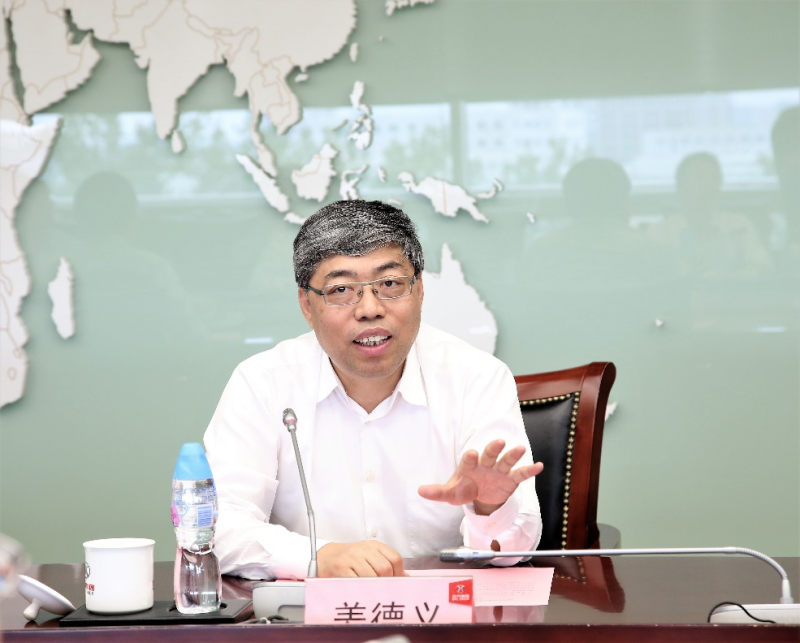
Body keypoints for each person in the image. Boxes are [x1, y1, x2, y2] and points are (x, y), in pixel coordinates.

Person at [203, 200, 543, 580]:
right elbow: (216, 528)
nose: (369, 309)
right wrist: (319, 557)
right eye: (341, 289)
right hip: (307, 613)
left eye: (390, 284)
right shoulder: (263, 384)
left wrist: (489, 508)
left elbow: (513, 551)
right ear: (307, 306)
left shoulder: (476, 378)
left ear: (420, 291)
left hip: (439, 612)